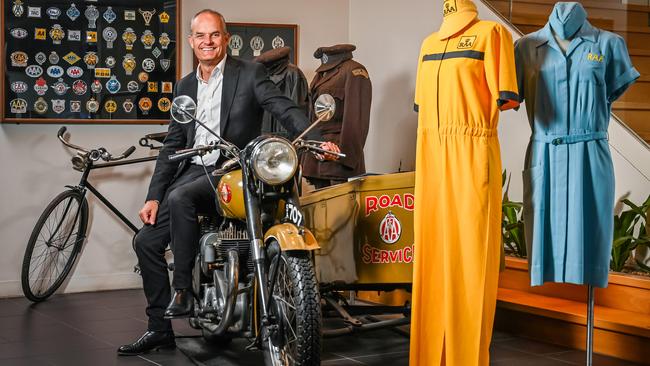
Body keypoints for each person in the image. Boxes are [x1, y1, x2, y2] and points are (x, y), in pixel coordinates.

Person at [118, 9, 337, 356]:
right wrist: (153, 197)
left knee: (182, 199)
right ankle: (159, 329)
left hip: (231, 171)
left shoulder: (249, 74)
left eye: (214, 35)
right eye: (200, 36)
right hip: (192, 172)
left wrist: (317, 137)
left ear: (226, 38)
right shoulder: (186, 86)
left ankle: (183, 292)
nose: (208, 42)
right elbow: (174, 144)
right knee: (146, 241)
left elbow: (283, 107)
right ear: (191, 42)